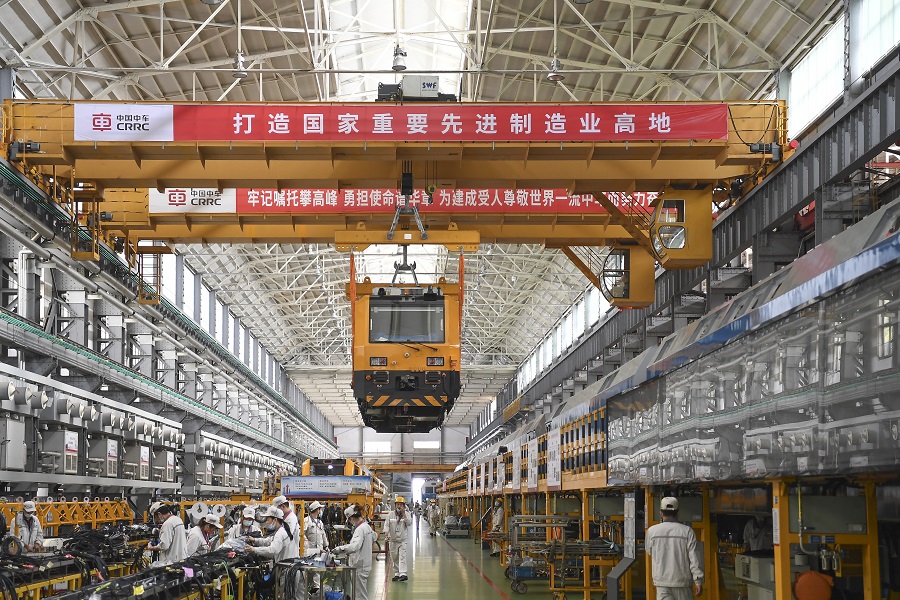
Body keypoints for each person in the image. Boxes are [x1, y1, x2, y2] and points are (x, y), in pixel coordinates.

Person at [645, 497, 703, 599]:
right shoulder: (687, 532)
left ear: (661, 513)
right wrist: (698, 581)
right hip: (682, 583)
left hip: (662, 582)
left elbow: (649, 552)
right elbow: (694, 559)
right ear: (678, 513)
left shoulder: (652, 531)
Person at [333, 504, 375, 600]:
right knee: (359, 594)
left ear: (351, 518)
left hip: (360, 567)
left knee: (360, 596)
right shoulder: (366, 526)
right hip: (364, 565)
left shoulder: (360, 529)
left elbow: (355, 546)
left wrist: (340, 549)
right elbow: (374, 536)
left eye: (349, 520)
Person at [385, 496, 413, 581]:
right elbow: (386, 524)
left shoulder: (407, 514)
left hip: (402, 540)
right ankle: (397, 573)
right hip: (393, 539)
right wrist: (386, 532)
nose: (399, 506)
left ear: (404, 506)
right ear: (395, 505)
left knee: (402, 556)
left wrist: (404, 514)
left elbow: (409, 523)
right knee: (394, 557)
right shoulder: (390, 514)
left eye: (401, 504)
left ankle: (403, 573)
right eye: (397, 504)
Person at [304, 501, 329, 594]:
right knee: (308, 570)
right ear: (316, 510)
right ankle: (307, 590)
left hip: (319, 551)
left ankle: (316, 590)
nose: (320, 510)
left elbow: (323, 535)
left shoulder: (320, 522)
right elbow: (301, 533)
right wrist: (306, 543)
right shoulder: (306, 520)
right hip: (309, 551)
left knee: (318, 570)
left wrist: (326, 546)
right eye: (319, 509)